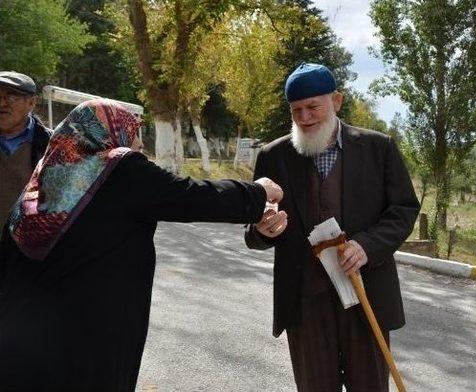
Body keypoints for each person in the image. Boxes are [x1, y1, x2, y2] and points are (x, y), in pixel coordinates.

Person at [0, 99, 283, 391]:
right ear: (111, 133)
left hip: (19, 342)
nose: (139, 144)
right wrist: (257, 192)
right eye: (133, 133)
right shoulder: (116, 169)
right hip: (84, 345)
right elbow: (187, 195)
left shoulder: (42, 181)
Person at [245, 63, 419, 391]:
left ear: (336, 101)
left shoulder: (378, 148)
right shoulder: (274, 156)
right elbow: (253, 230)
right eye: (296, 110)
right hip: (304, 304)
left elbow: (403, 210)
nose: (305, 117)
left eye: (313, 107)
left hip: (365, 295)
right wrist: (262, 230)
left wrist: (367, 245)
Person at [0, 71, 51, 231]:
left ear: (32, 103)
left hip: (28, 244)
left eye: (11, 97)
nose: (2, 104)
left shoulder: (51, 143)